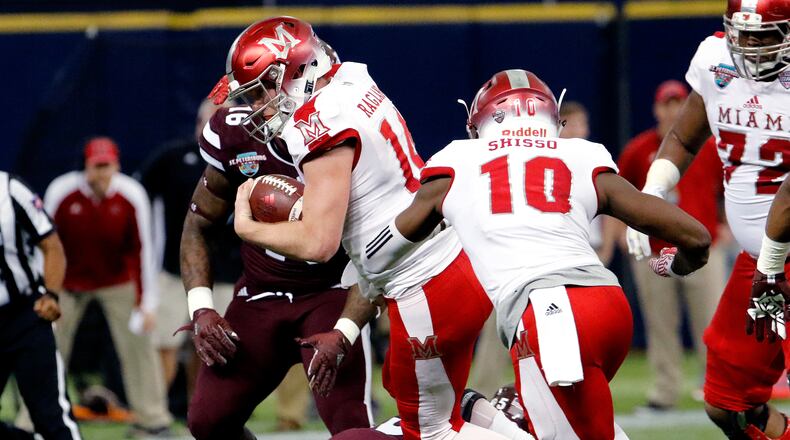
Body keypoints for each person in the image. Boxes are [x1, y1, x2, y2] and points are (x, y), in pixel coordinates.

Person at [357, 69, 711, 439]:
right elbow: (697, 238)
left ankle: (489, 417)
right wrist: (676, 265)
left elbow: (381, 252)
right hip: (608, 308)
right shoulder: (580, 154)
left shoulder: (457, 161)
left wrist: (357, 260)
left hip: (546, 315)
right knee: (588, 427)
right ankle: (487, 414)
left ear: (479, 122)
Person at [227, 16, 521, 440]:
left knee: (430, 431)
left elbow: (318, 242)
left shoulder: (316, 123)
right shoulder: (350, 81)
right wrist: (346, 331)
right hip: (446, 264)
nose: (257, 107)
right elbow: (369, 244)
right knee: (432, 411)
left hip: (425, 285)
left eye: (261, 91)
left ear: (294, 73)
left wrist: (247, 228)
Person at [624, 0, 790, 436]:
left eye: (764, 35)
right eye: (743, 33)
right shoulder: (716, 60)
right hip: (760, 265)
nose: (751, 46)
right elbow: (682, 134)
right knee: (726, 402)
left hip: (779, 260)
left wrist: (771, 265)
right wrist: (652, 193)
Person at [180, 95, 373, 437]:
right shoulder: (237, 136)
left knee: (352, 429)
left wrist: (346, 331)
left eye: (268, 87)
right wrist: (201, 309)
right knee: (208, 422)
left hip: (330, 293)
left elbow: (375, 255)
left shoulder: (349, 138)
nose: (258, 103)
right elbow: (198, 225)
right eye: (254, 92)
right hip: (259, 293)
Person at [43, 137, 172, 437]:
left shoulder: (131, 194)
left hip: (118, 281)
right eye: (96, 166)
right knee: (45, 349)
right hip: (68, 281)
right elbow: (46, 244)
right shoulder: (62, 191)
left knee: (140, 344)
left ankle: (152, 420)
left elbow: (144, 249)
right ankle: (32, 420)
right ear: (86, 166)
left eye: (107, 165)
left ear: (117, 165)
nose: (102, 172)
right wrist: (46, 293)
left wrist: (146, 303)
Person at [617, 80, 727, 411]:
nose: (672, 110)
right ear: (656, 109)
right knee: (660, 324)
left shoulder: (708, 148)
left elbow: (724, 189)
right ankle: (665, 391)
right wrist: (621, 232)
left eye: (678, 103)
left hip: (703, 250)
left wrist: (725, 226)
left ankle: (716, 389)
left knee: (711, 322)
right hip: (654, 250)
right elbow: (618, 193)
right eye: (666, 104)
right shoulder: (639, 149)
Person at [0, 171, 82, 440]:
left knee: (51, 416)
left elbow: (52, 245)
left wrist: (51, 295)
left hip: (24, 312)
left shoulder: (10, 189)